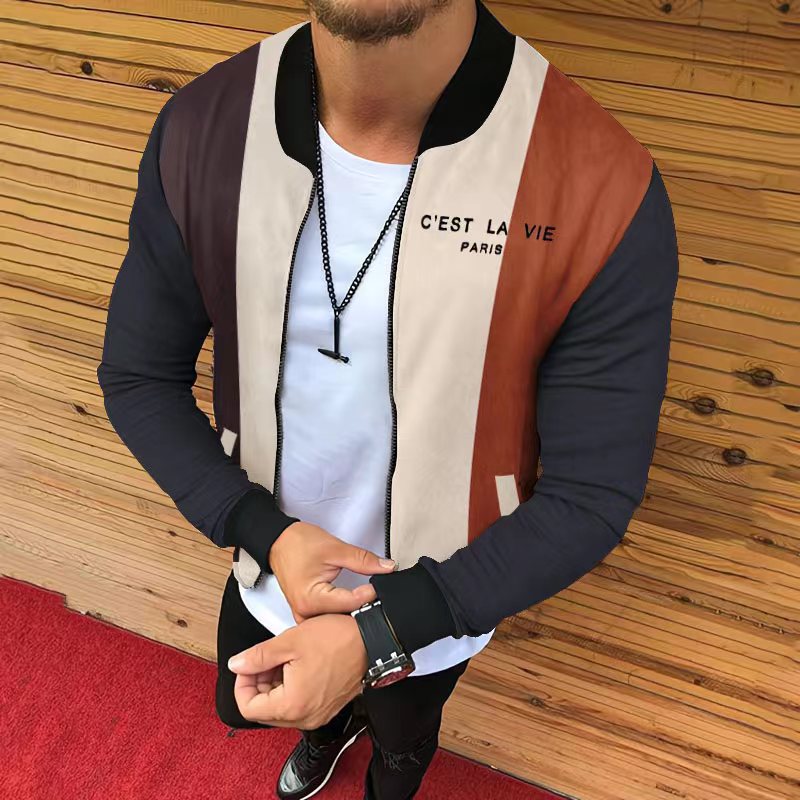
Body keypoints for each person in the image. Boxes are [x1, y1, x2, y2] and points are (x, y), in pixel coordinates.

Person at [96, 0, 680, 798]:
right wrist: (263, 532)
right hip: (268, 568)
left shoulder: (603, 180)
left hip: (443, 599)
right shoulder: (203, 126)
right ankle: (327, 734)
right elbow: (138, 377)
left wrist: (380, 635)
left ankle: (395, 766)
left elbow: (591, 495)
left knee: (404, 740)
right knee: (278, 708)